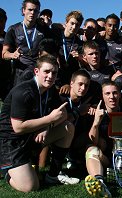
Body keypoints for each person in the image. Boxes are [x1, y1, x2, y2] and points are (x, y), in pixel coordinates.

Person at [0, 55, 79, 193]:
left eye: (54, 73)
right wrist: (49, 119)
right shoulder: (24, 91)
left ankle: (53, 175)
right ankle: (6, 170)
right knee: (30, 187)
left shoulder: (50, 90)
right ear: (36, 71)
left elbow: (64, 115)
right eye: (46, 71)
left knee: (68, 128)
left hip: (32, 136)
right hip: (10, 142)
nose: (50, 76)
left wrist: (47, 127)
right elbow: (18, 128)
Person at [2, 0, 49, 85]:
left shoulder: (44, 29)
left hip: (39, 72)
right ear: (23, 10)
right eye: (30, 10)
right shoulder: (13, 29)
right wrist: (12, 55)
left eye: (36, 11)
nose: (32, 13)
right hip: (20, 73)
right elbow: (4, 53)